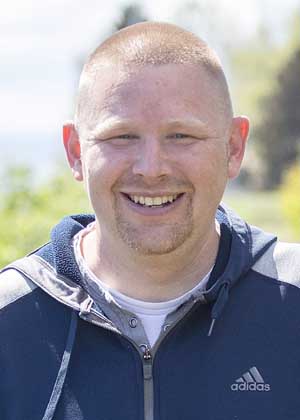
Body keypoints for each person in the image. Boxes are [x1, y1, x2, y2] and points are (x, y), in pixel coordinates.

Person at [0, 21, 299, 420]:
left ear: (233, 146)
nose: (151, 168)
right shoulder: (9, 321)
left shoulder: (291, 301)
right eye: (121, 137)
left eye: (181, 136)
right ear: (75, 153)